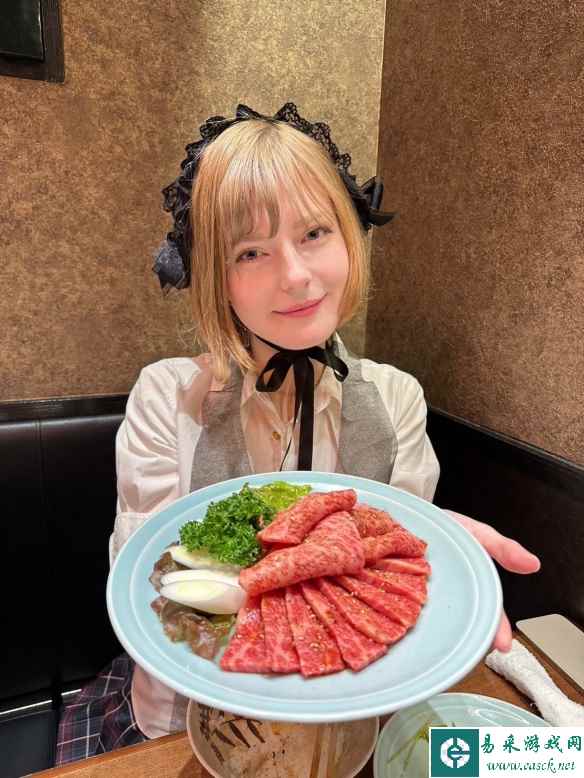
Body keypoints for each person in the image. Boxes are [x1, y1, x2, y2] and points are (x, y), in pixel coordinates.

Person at [55, 103, 540, 763]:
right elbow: (155, 586)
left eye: (314, 232)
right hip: (185, 721)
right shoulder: (166, 397)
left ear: (348, 236)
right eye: (250, 251)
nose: (295, 276)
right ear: (216, 276)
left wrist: (433, 546)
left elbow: (388, 582)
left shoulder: (397, 398)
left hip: (346, 714)